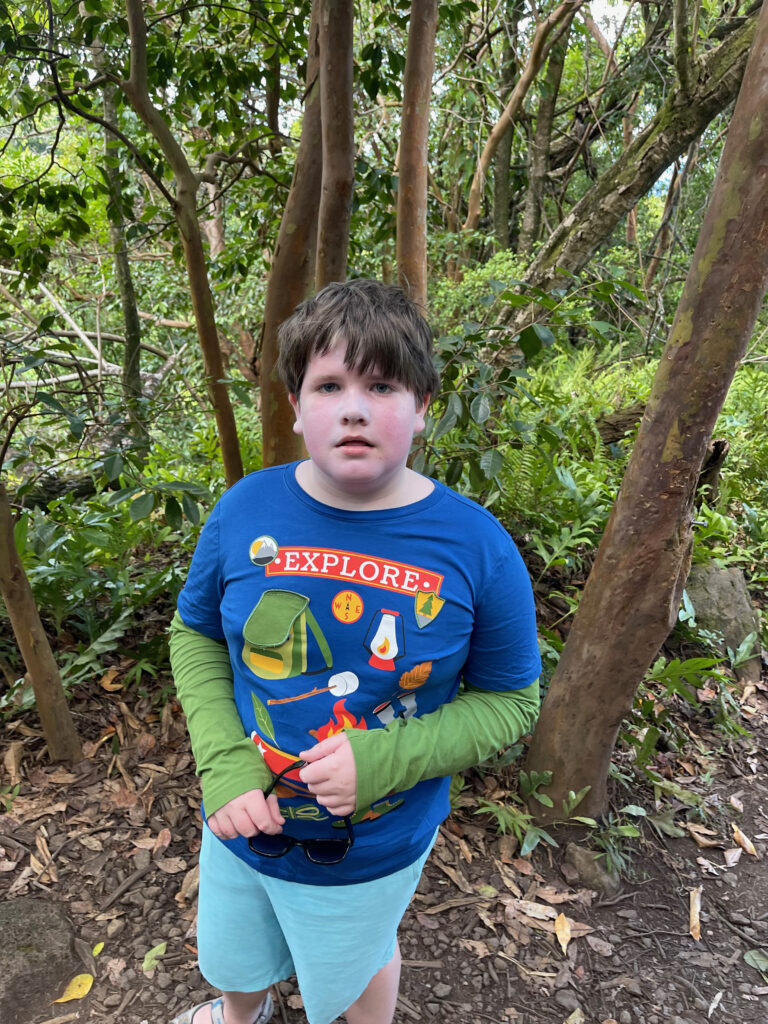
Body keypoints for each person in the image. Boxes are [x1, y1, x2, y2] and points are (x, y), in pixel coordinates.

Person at [168, 279, 541, 1024]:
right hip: (242, 820)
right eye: (329, 384)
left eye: (382, 384)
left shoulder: (477, 547)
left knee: (356, 967)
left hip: (371, 849)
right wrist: (222, 760)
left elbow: (512, 700)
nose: (354, 406)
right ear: (298, 409)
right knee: (234, 955)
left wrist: (385, 760)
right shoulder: (246, 508)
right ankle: (238, 1016)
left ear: (424, 405)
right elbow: (198, 632)